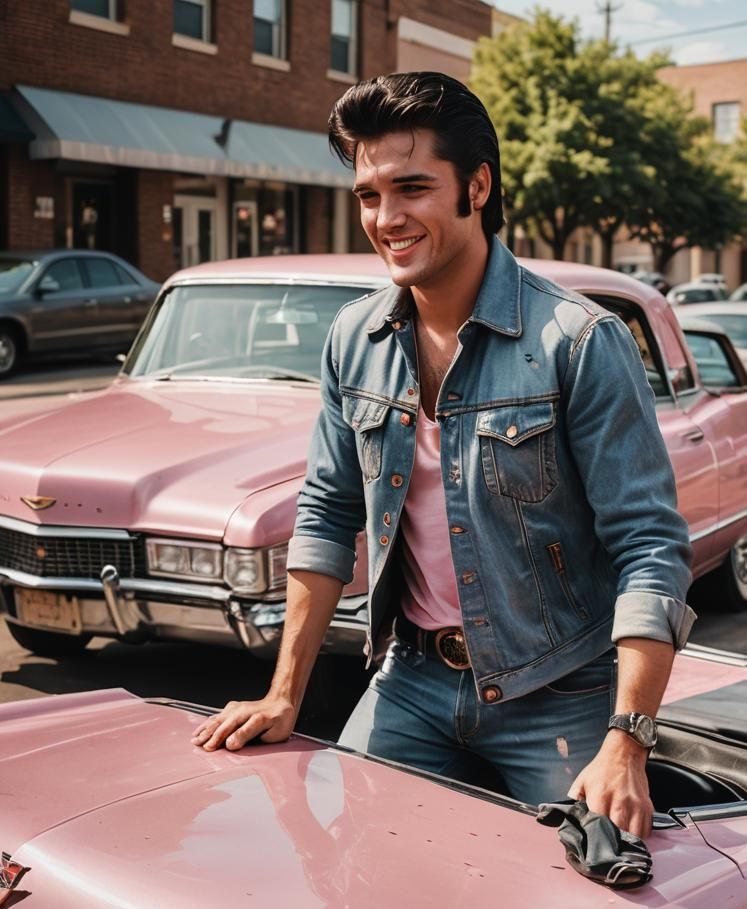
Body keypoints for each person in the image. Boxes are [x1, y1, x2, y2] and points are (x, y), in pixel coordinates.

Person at [191, 72, 695, 839]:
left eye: (412, 188)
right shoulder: (353, 339)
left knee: (589, 888)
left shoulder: (580, 341)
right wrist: (284, 693)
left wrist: (628, 740)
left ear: (478, 186)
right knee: (357, 870)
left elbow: (649, 544)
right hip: (412, 682)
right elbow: (327, 512)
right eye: (368, 195)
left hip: (561, 693)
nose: (386, 218)